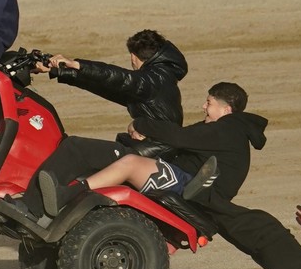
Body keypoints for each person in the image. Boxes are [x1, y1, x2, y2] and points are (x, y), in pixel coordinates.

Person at [17, 29, 188, 218]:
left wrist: (77, 64)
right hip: (149, 153)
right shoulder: (160, 78)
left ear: (133, 56)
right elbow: (107, 87)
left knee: (75, 148)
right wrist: (60, 70)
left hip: (145, 156)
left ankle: (29, 208)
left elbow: (117, 77)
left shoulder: (153, 79)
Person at [39, 82, 267, 217]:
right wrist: (146, 136)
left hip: (192, 189)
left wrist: (141, 124)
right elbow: (180, 139)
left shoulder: (226, 130)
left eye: (209, 103)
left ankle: (67, 195)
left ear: (226, 110)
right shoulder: (223, 130)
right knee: (123, 158)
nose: (203, 106)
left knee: (129, 163)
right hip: (186, 180)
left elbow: (179, 137)